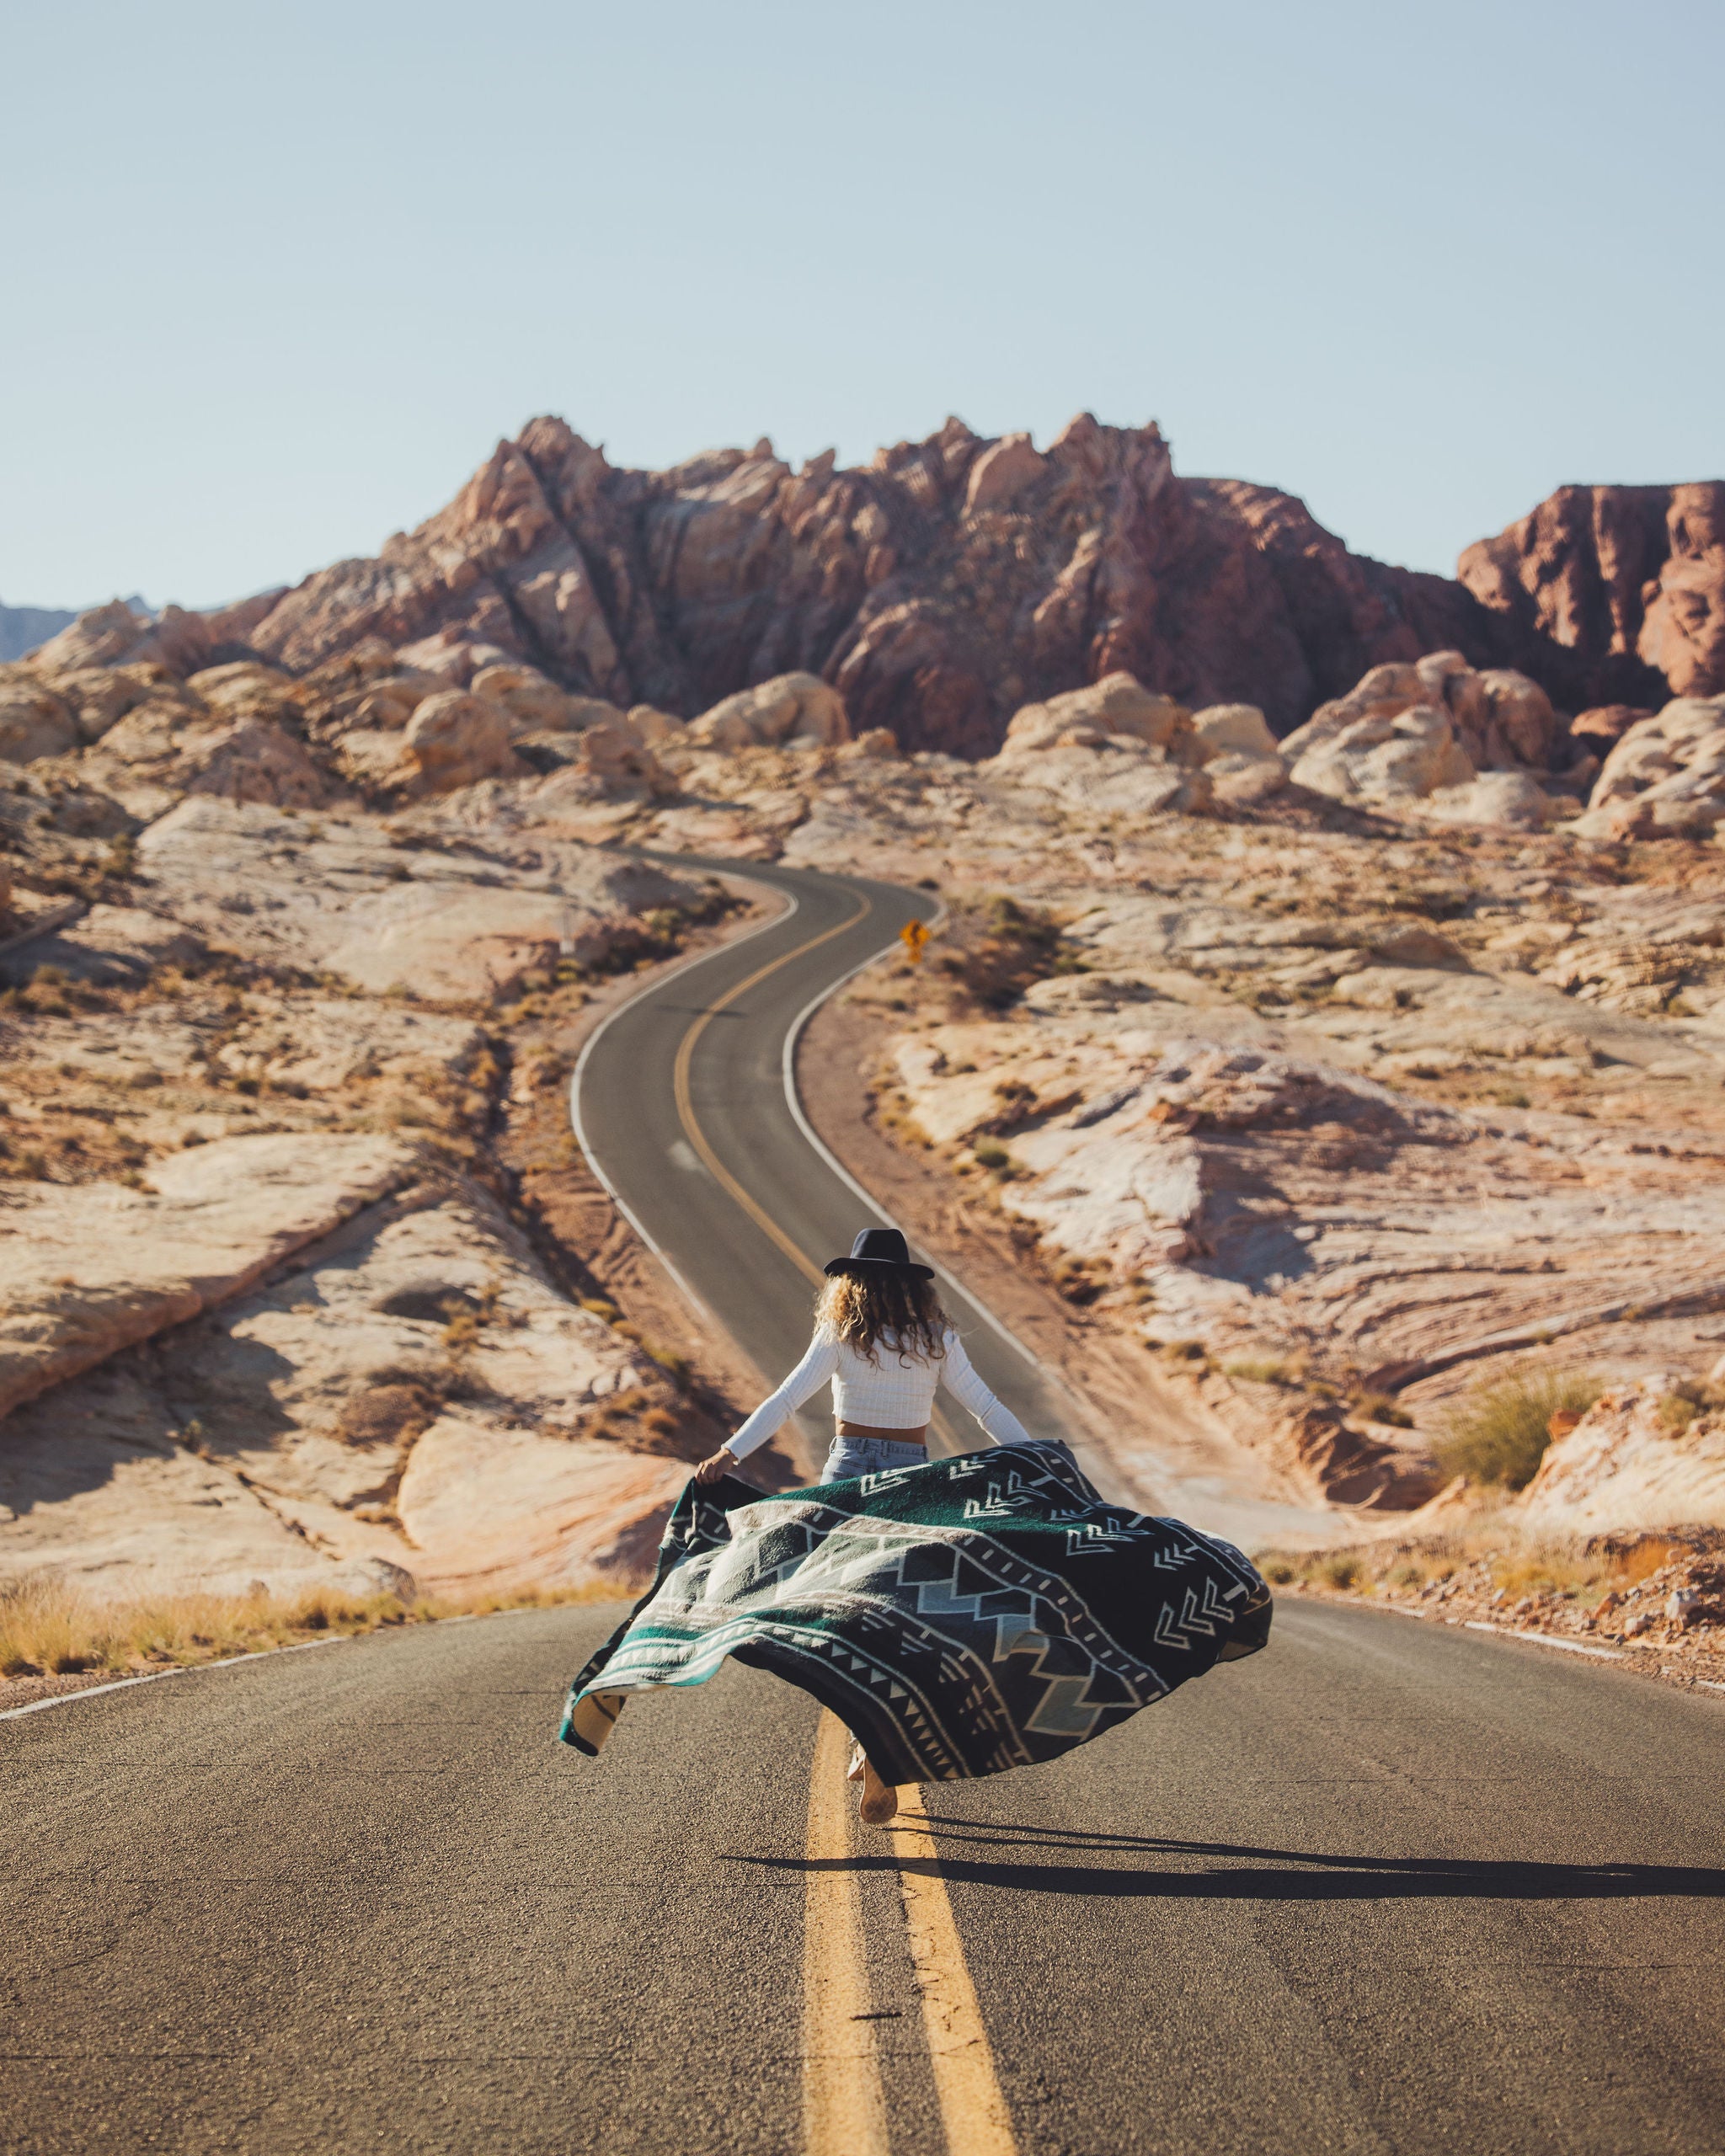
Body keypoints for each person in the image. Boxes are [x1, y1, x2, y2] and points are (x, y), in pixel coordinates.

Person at [693, 1225, 1033, 1821]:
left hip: (847, 1473)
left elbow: (785, 1400)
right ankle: (878, 1745)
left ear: (851, 1284)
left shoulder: (841, 1334)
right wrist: (1035, 1457)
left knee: (838, 1614)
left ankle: (863, 1736)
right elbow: (986, 1408)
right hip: (909, 1478)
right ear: (910, 1285)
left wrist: (730, 1454)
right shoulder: (935, 1338)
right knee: (899, 1615)